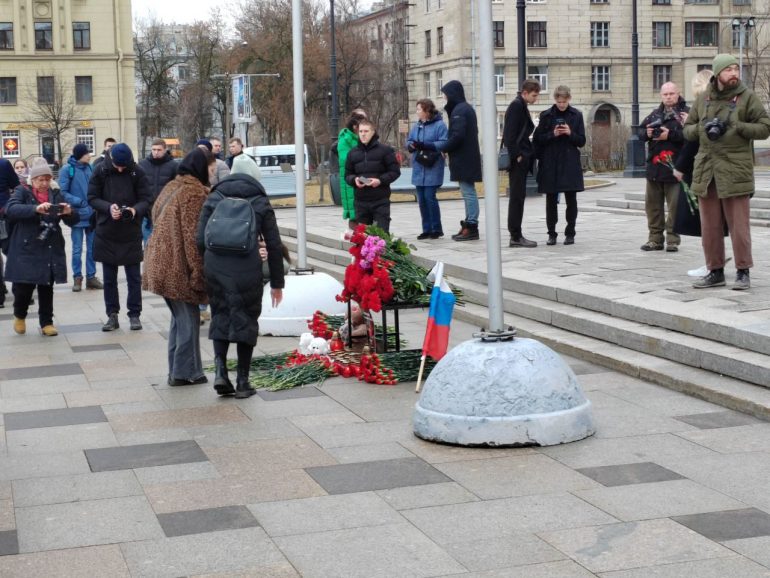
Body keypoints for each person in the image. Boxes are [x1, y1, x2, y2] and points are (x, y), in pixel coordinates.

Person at [196, 154, 285, 398]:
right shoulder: (260, 200)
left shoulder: (214, 196)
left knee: (221, 315)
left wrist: (212, 260)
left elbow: (199, 239)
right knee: (246, 319)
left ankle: (220, 373)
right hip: (247, 267)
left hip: (216, 267)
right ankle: (243, 382)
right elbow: (275, 245)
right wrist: (277, 282)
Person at [684, 54, 770, 290]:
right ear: (717, 73)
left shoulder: (746, 97)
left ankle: (743, 272)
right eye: (729, 69)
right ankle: (715, 271)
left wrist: (738, 127)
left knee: (739, 227)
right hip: (707, 170)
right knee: (709, 228)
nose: (734, 73)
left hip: (735, 170)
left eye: (736, 69)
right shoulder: (703, 99)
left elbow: (765, 127)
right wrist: (703, 128)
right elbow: (687, 129)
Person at [144, 148, 215, 386]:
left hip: (160, 262)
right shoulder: (193, 194)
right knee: (187, 321)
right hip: (177, 266)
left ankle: (180, 369)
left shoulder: (172, 186)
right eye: (211, 168)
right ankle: (185, 373)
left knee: (180, 319)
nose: (212, 172)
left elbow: (155, 215)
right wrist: (198, 273)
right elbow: (193, 237)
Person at [5, 159, 77, 336]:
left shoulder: (56, 193)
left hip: (50, 245)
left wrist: (69, 212)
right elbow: (11, 209)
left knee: (46, 286)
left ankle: (47, 322)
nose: (44, 183)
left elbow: (72, 220)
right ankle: (19, 315)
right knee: (23, 288)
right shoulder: (22, 191)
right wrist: (35, 208)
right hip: (27, 246)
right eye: (40, 180)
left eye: (47, 179)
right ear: (32, 180)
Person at [88, 143, 152, 331]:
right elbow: (91, 197)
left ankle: (134, 314)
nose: (121, 169)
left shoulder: (137, 172)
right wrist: (108, 208)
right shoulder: (100, 170)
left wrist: (134, 210)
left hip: (130, 231)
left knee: (134, 278)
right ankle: (112, 315)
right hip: (106, 230)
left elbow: (146, 199)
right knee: (109, 278)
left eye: (124, 166)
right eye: (118, 165)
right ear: (112, 159)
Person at [673, 70, 722, 278]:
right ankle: (715, 263)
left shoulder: (703, 107)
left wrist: (680, 167)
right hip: (720, 169)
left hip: (703, 170)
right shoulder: (721, 105)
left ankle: (712, 264)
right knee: (715, 222)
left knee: (708, 222)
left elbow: (694, 142)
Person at [533, 85, 586, 246]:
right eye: (559, 101)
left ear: (569, 99)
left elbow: (581, 141)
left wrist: (570, 133)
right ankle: (551, 233)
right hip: (551, 162)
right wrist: (553, 134)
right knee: (551, 199)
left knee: (571, 199)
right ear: (555, 99)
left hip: (569, 162)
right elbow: (538, 139)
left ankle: (570, 233)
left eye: (564, 101)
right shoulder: (546, 115)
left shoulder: (576, 115)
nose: (561, 104)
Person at [639, 82, 689, 252]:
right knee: (652, 207)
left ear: (678, 93)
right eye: (665, 94)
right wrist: (646, 133)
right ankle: (655, 239)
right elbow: (639, 133)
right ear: (661, 96)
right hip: (654, 168)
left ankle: (673, 240)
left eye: (671, 93)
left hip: (676, 168)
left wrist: (670, 135)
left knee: (675, 207)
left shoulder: (686, 114)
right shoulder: (655, 114)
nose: (668, 97)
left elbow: (693, 136)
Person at [436, 80, 482, 242]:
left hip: (464, 158)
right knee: (467, 191)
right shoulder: (463, 109)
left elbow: (457, 136)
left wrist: (443, 147)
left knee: (468, 192)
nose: (445, 99)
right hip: (466, 157)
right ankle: (469, 223)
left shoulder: (460, 111)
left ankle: (471, 225)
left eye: (446, 95)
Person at [344, 119, 401, 233]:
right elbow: (347, 175)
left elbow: (395, 171)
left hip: (380, 199)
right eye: (360, 131)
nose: (363, 134)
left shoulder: (385, 150)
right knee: (362, 238)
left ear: (373, 132)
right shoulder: (352, 153)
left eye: (366, 131)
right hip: (361, 200)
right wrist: (354, 179)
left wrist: (380, 181)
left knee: (382, 236)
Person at [59, 144, 102, 292]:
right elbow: (63, 193)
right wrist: (80, 202)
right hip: (77, 216)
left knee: (92, 249)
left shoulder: (90, 168)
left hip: (91, 215)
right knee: (77, 249)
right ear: (80, 155)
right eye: (87, 153)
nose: (89, 155)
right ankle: (77, 278)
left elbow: (96, 188)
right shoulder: (67, 170)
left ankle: (91, 278)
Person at [503, 79, 540, 248]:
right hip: (518, 159)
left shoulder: (520, 105)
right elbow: (509, 134)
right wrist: (517, 155)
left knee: (519, 197)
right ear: (525, 92)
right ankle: (515, 236)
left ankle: (516, 234)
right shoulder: (517, 106)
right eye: (534, 95)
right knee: (517, 197)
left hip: (521, 157)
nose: (536, 98)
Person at [406, 98, 447, 240]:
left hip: (432, 166)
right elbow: (409, 140)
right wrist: (411, 145)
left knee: (430, 197)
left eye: (419, 109)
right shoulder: (417, 125)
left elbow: (443, 143)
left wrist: (426, 144)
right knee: (422, 199)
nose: (417, 112)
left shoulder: (440, 125)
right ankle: (426, 229)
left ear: (427, 111)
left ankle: (436, 228)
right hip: (419, 166)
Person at [138, 138, 178, 246]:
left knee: (164, 245)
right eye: (154, 149)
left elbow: (177, 187)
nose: (156, 152)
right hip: (147, 211)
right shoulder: (142, 165)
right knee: (148, 244)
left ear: (165, 150)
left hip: (166, 210)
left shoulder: (173, 165)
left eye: (159, 150)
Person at [336, 109, 368, 227]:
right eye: (363, 121)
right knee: (355, 215)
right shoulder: (345, 140)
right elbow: (348, 162)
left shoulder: (364, 137)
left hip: (364, 178)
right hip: (352, 180)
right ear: (355, 126)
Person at [0, 158, 20, 308]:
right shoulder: (4, 164)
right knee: (12, 252)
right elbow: (15, 184)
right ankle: (19, 292)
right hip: (4, 215)